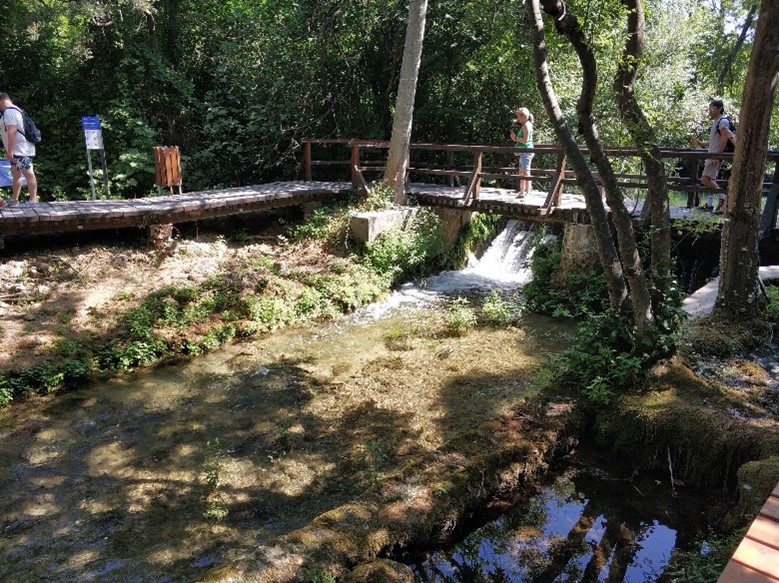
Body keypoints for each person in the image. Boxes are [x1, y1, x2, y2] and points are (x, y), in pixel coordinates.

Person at [692, 99, 735, 214]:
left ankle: (723, 198)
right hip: (711, 153)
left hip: (715, 155)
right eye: (709, 108)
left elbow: (724, 140)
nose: (710, 111)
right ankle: (710, 205)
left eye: (713, 108)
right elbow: (713, 141)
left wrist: (717, 156)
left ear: (720, 109)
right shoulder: (716, 122)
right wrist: (701, 143)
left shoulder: (723, 121)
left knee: (705, 179)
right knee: (711, 180)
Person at [0, 92, 38, 206]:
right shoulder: (15, 109)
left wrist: (10, 150)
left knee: (28, 173)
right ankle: (15, 199)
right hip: (20, 148)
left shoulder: (9, 112)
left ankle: (33, 200)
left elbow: (12, 132)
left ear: (1, 102)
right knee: (15, 172)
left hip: (20, 149)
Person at [510, 107, 534, 198]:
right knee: (522, 171)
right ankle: (522, 191)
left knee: (525, 171)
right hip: (524, 152)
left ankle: (527, 192)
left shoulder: (527, 126)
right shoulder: (526, 125)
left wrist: (515, 138)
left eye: (518, 116)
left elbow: (525, 141)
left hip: (526, 151)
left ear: (523, 116)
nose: (517, 119)